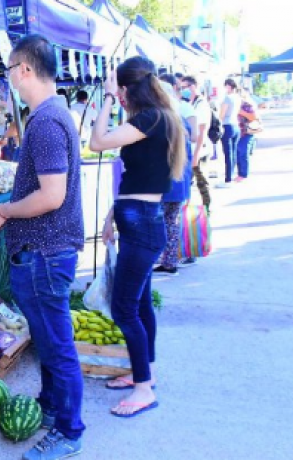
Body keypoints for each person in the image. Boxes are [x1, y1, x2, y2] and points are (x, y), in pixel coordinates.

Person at [0, 34, 85, 459]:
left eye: (8, 69)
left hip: (45, 251)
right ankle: (52, 407)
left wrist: (3, 211)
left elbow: (52, 195)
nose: (8, 78)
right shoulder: (54, 115)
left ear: (24, 69)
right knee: (48, 340)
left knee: (58, 346)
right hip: (46, 250)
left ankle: (69, 432)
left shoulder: (45, 121)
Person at [89, 56, 186, 417]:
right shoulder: (155, 118)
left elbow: (97, 142)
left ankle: (144, 388)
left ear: (129, 88)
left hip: (143, 224)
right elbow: (138, 178)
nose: (120, 97)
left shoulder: (151, 119)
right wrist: (111, 215)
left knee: (124, 308)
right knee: (140, 304)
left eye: (121, 89)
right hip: (138, 219)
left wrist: (108, 98)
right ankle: (144, 372)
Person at [153, 76, 196, 276]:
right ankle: (170, 262)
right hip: (179, 183)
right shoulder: (180, 122)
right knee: (171, 223)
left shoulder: (162, 122)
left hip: (164, 183)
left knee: (158, 223)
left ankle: (161, 260)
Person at [180, 76, 213, 215]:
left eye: (185, 87)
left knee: (202, 182)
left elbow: (202, 130)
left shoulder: (201, 104)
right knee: (189, 182)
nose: (183, 90)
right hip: (192, 150)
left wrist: (196, 155)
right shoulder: (191, 102)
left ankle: (206, 211)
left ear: (193, 86)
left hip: (200, 149)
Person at [217, 78, 241, 188]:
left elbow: (222, 114)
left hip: (227, 125)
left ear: (229, 86)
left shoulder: (227, 98)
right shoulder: (238, 98)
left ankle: (228, 179)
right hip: (235, 125)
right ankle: (231, 175)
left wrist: (218, 122)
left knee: (227, 153)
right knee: (233, 152)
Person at [235, 89, 262, 182]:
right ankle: (240, 173)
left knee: (243, 153)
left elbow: (253, 117)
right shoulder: (233, 104)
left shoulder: (247, 105)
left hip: (246, 132)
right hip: (237, 132)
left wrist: (240, 111)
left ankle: (243, 174)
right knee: (238, 154)